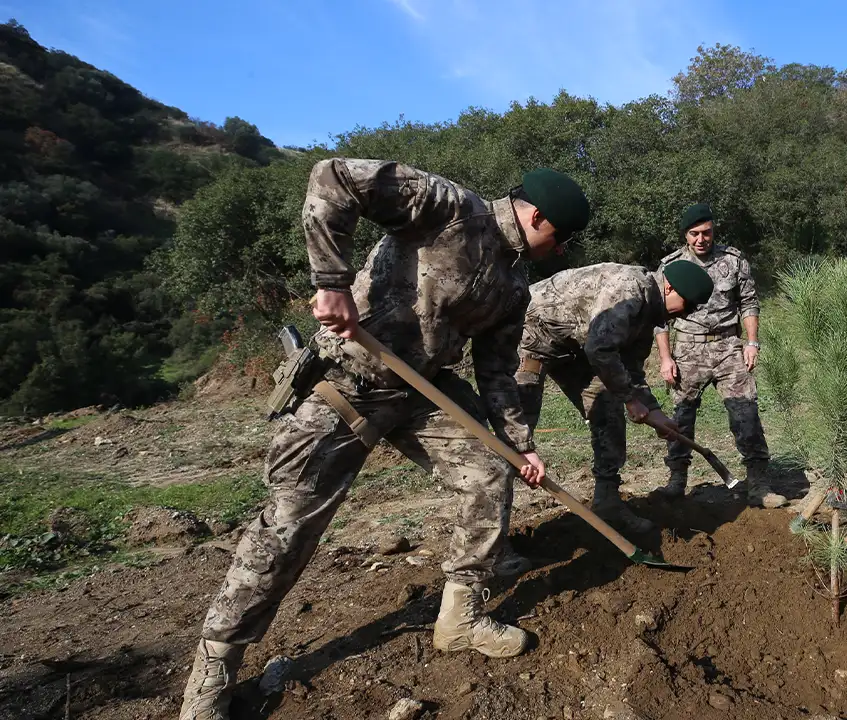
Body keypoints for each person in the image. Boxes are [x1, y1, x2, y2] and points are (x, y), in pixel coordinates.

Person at [178, 160, 591, 720]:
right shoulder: (449, 207)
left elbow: (496, 371)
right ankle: (213, 676)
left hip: (423, 391)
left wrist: (521, 443)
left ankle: (460, 619)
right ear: (537, 216)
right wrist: (331, 284)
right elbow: (333, 179)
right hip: (348, 378)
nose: (560, 250)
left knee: (489, 473)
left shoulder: (515, 283)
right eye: (560, 238)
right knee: (288, 528)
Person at [515, 260, 713, 535]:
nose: (685, 314)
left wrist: (653, 411)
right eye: (688, 305)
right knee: (516, 433)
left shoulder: (649, 315)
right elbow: (600, 349)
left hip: (575, 348)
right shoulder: (630, 289)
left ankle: (607, 503)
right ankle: (495, 540)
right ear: (669, 288)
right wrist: (631, 400)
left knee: (608, 410)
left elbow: (631, 370)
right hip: (531, 335)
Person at [649, 204, 781, 507]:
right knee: (681, 418)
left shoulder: (733, 261)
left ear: (713, 231)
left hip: (728, 347)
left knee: (745, 413)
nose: (700, 239)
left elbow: (748, 303)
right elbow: (660, 317)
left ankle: (759, 484)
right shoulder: (670, 265)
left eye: (706, 233)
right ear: (685, 234)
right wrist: (666, 359)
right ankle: (676, 481)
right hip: (688, 349)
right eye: (694, 234)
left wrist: (751, 342)